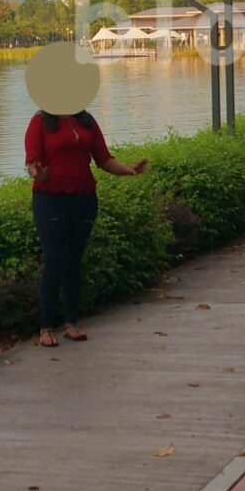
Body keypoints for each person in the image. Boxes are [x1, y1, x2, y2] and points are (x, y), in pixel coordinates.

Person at [24, 103, 149, 346]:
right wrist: (37, 173)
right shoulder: (39, 122)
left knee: (73, 260)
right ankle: (47, 326)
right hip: (50, 198)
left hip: (84, 198)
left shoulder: (87, 121)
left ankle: (71, 322)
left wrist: (128, 170)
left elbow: (103, 159)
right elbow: (32, 163)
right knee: (55, 259)